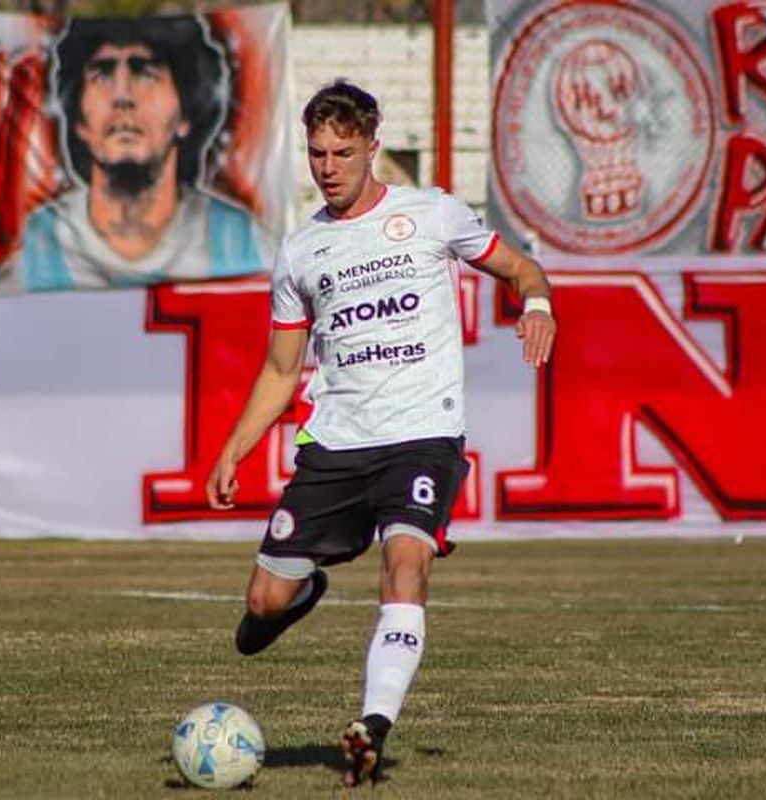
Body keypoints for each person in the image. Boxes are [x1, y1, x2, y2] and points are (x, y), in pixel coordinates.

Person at [204, 80, 556, 788]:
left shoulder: (431, 214)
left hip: (423, 436)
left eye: (342, 152)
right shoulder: (302, 251)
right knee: (263, 604)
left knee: (406, 564)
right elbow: (282, 369)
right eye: (316, 153)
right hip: (336, 443)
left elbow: (519, 267)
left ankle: (373, 724)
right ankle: (304, 589)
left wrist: (539, 304)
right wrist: (234, 448)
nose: (328, 167)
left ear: (372, 146)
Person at [23, 16, 272, 289]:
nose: (122, 96)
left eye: (146, 74)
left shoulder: (241, 241)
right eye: (102, 75)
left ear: (184, 115)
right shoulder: (36, 245)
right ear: (79, 121)